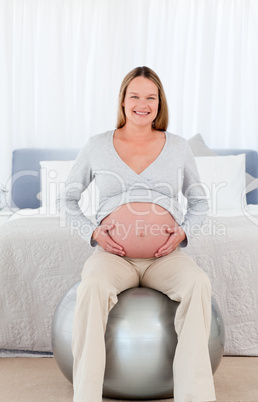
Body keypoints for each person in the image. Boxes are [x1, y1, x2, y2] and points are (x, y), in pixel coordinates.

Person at [58, 66, 216, 402]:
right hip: (114, 257)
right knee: (93, 287)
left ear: (160, 103)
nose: (142, 104)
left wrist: (182, 234)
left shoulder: (178, 147)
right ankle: (86, 397)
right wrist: (94, 234)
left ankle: (196, 396)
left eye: (150, 97)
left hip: (165, 257)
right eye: (135, 96)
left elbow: (200, 202)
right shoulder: (97, 145)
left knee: (198, 283)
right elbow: (68, 199)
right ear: (123, 101)